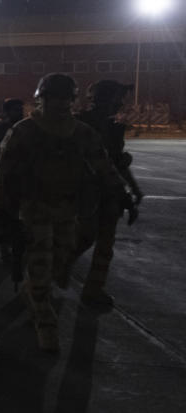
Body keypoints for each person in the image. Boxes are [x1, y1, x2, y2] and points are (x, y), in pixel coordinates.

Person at [0, 73, 132, 352]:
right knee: (42, 263)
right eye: (54, 98)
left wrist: (121, 192)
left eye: (66, 98)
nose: (61, 103)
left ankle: (33, 291)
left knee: (63, 257)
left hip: (68, 209)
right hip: (35, 208)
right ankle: (45, 322)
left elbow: (103, 165)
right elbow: (3, 174)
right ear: (41, 99)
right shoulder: (23, 131)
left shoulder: (81, 132)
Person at [69, 80, 143, 308]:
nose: (120, 103)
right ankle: (50, 273)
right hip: (85, 193)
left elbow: (117, 162)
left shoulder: (111, 126)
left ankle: (93, 290)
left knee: (104, 245)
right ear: (104, 98)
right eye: (117, 98)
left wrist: (132, 189)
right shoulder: (80, 124)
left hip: (109, 193)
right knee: (84, 238)